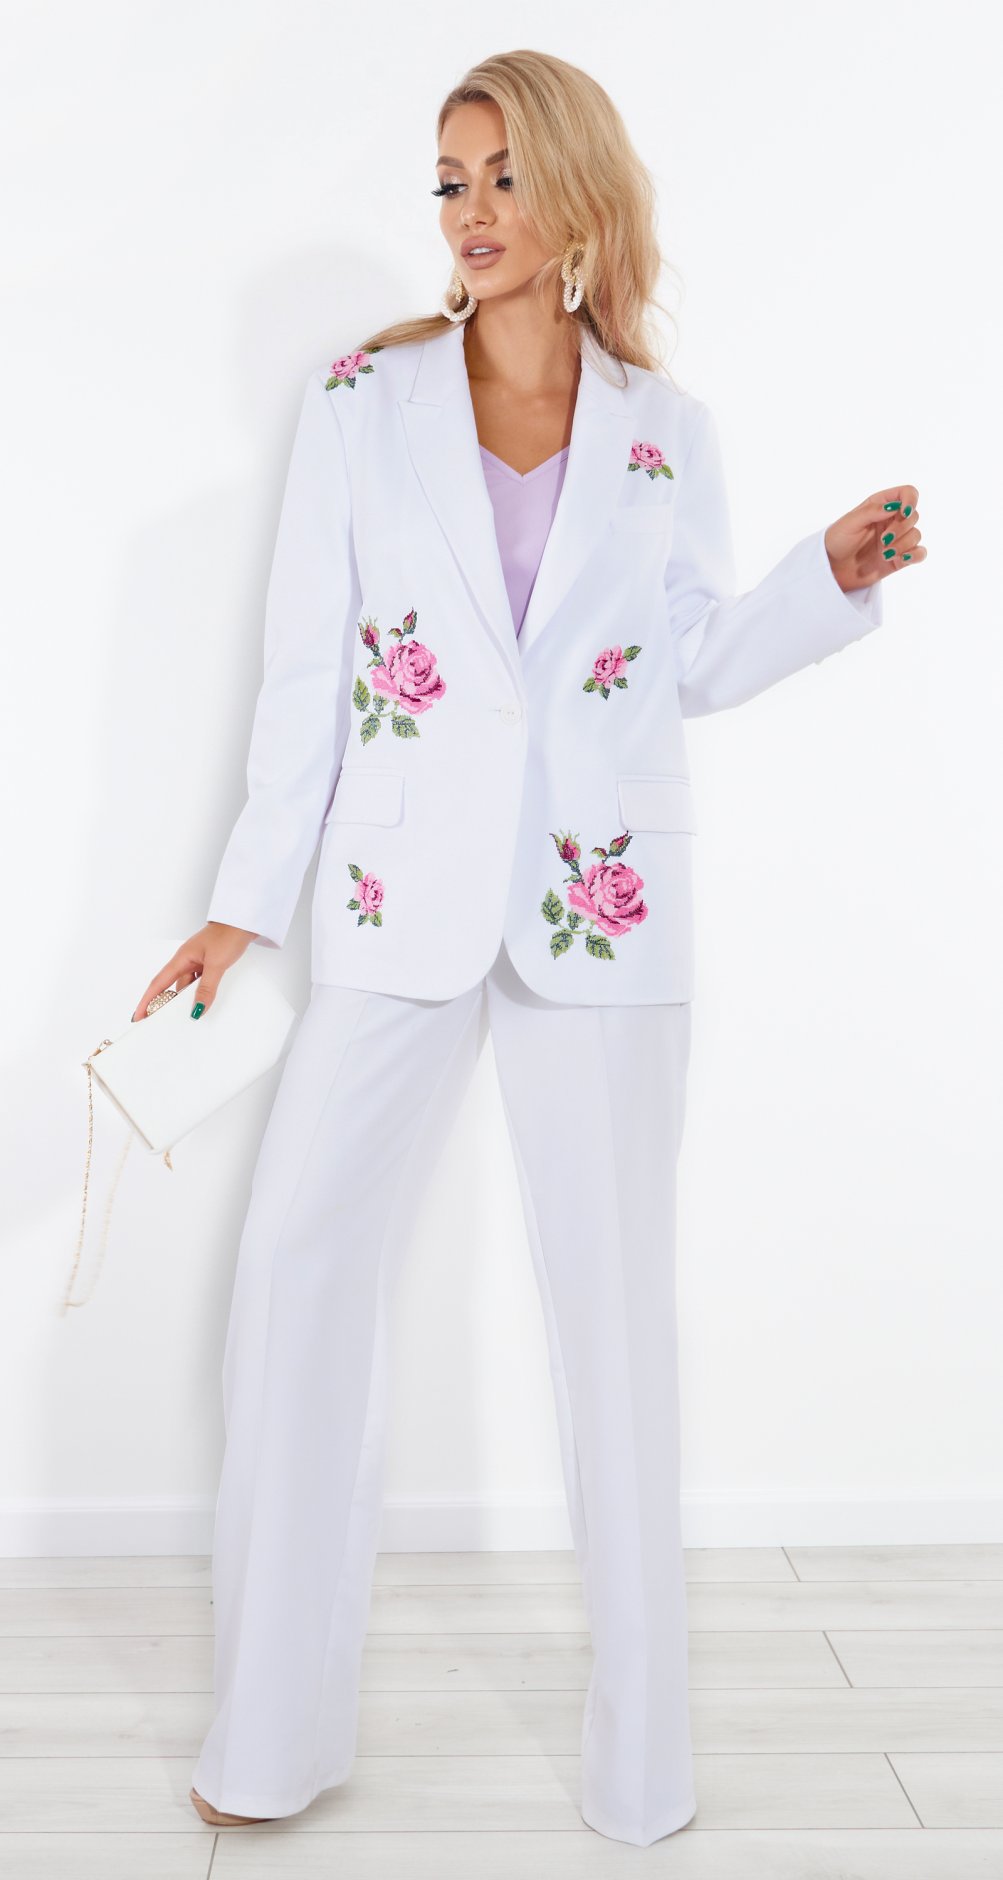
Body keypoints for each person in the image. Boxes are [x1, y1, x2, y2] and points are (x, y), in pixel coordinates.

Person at [131, 49, 924, 1848]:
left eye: (501, 177)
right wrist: (246, 902)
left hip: (599, 898)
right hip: (395, 897)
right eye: (448, 179)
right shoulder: (361, 400)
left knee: (615, 1323)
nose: (470, 213)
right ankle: (269, 1736)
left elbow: (689, 658)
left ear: (573, 199)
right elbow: (307, 668)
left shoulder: (664, 427)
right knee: (298, 1270)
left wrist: (831, 576)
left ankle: (644, 1770)